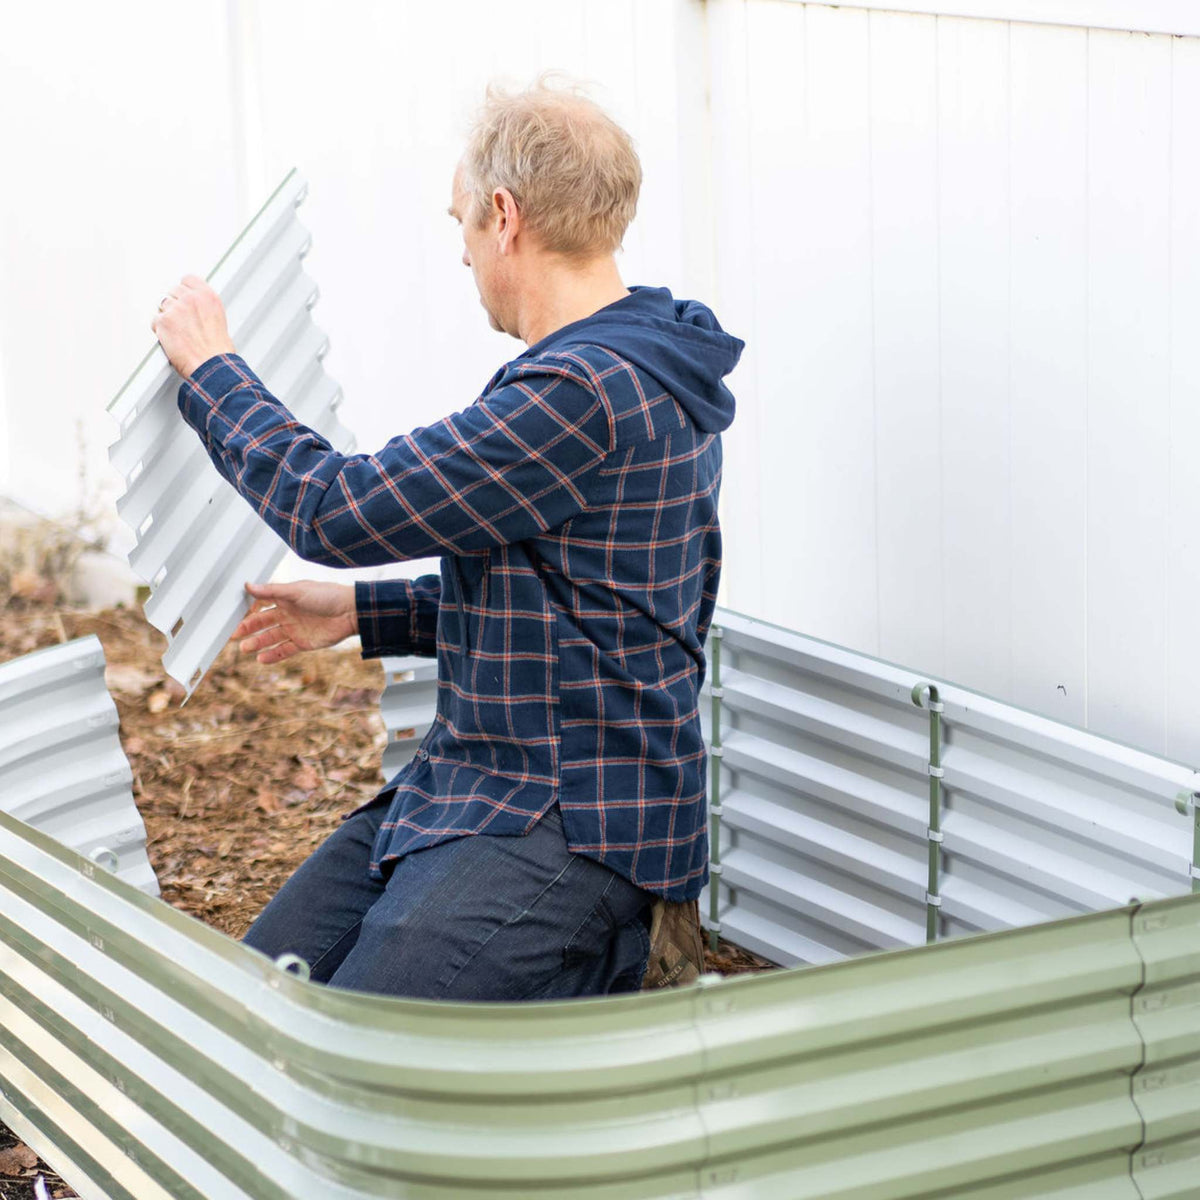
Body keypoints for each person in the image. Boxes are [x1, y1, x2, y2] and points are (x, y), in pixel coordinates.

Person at [151, 79, 743, 1001]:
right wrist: (362, 610)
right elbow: (581, 595)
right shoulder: (651, 349)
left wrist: (214, 370)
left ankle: (593, 989)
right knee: (253, 1001)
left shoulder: (578, 396)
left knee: (362, 1050)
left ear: (505, 217)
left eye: (463, 222)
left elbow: (332, 509)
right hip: (475, 785)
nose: (463, 254)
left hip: (570, 818)